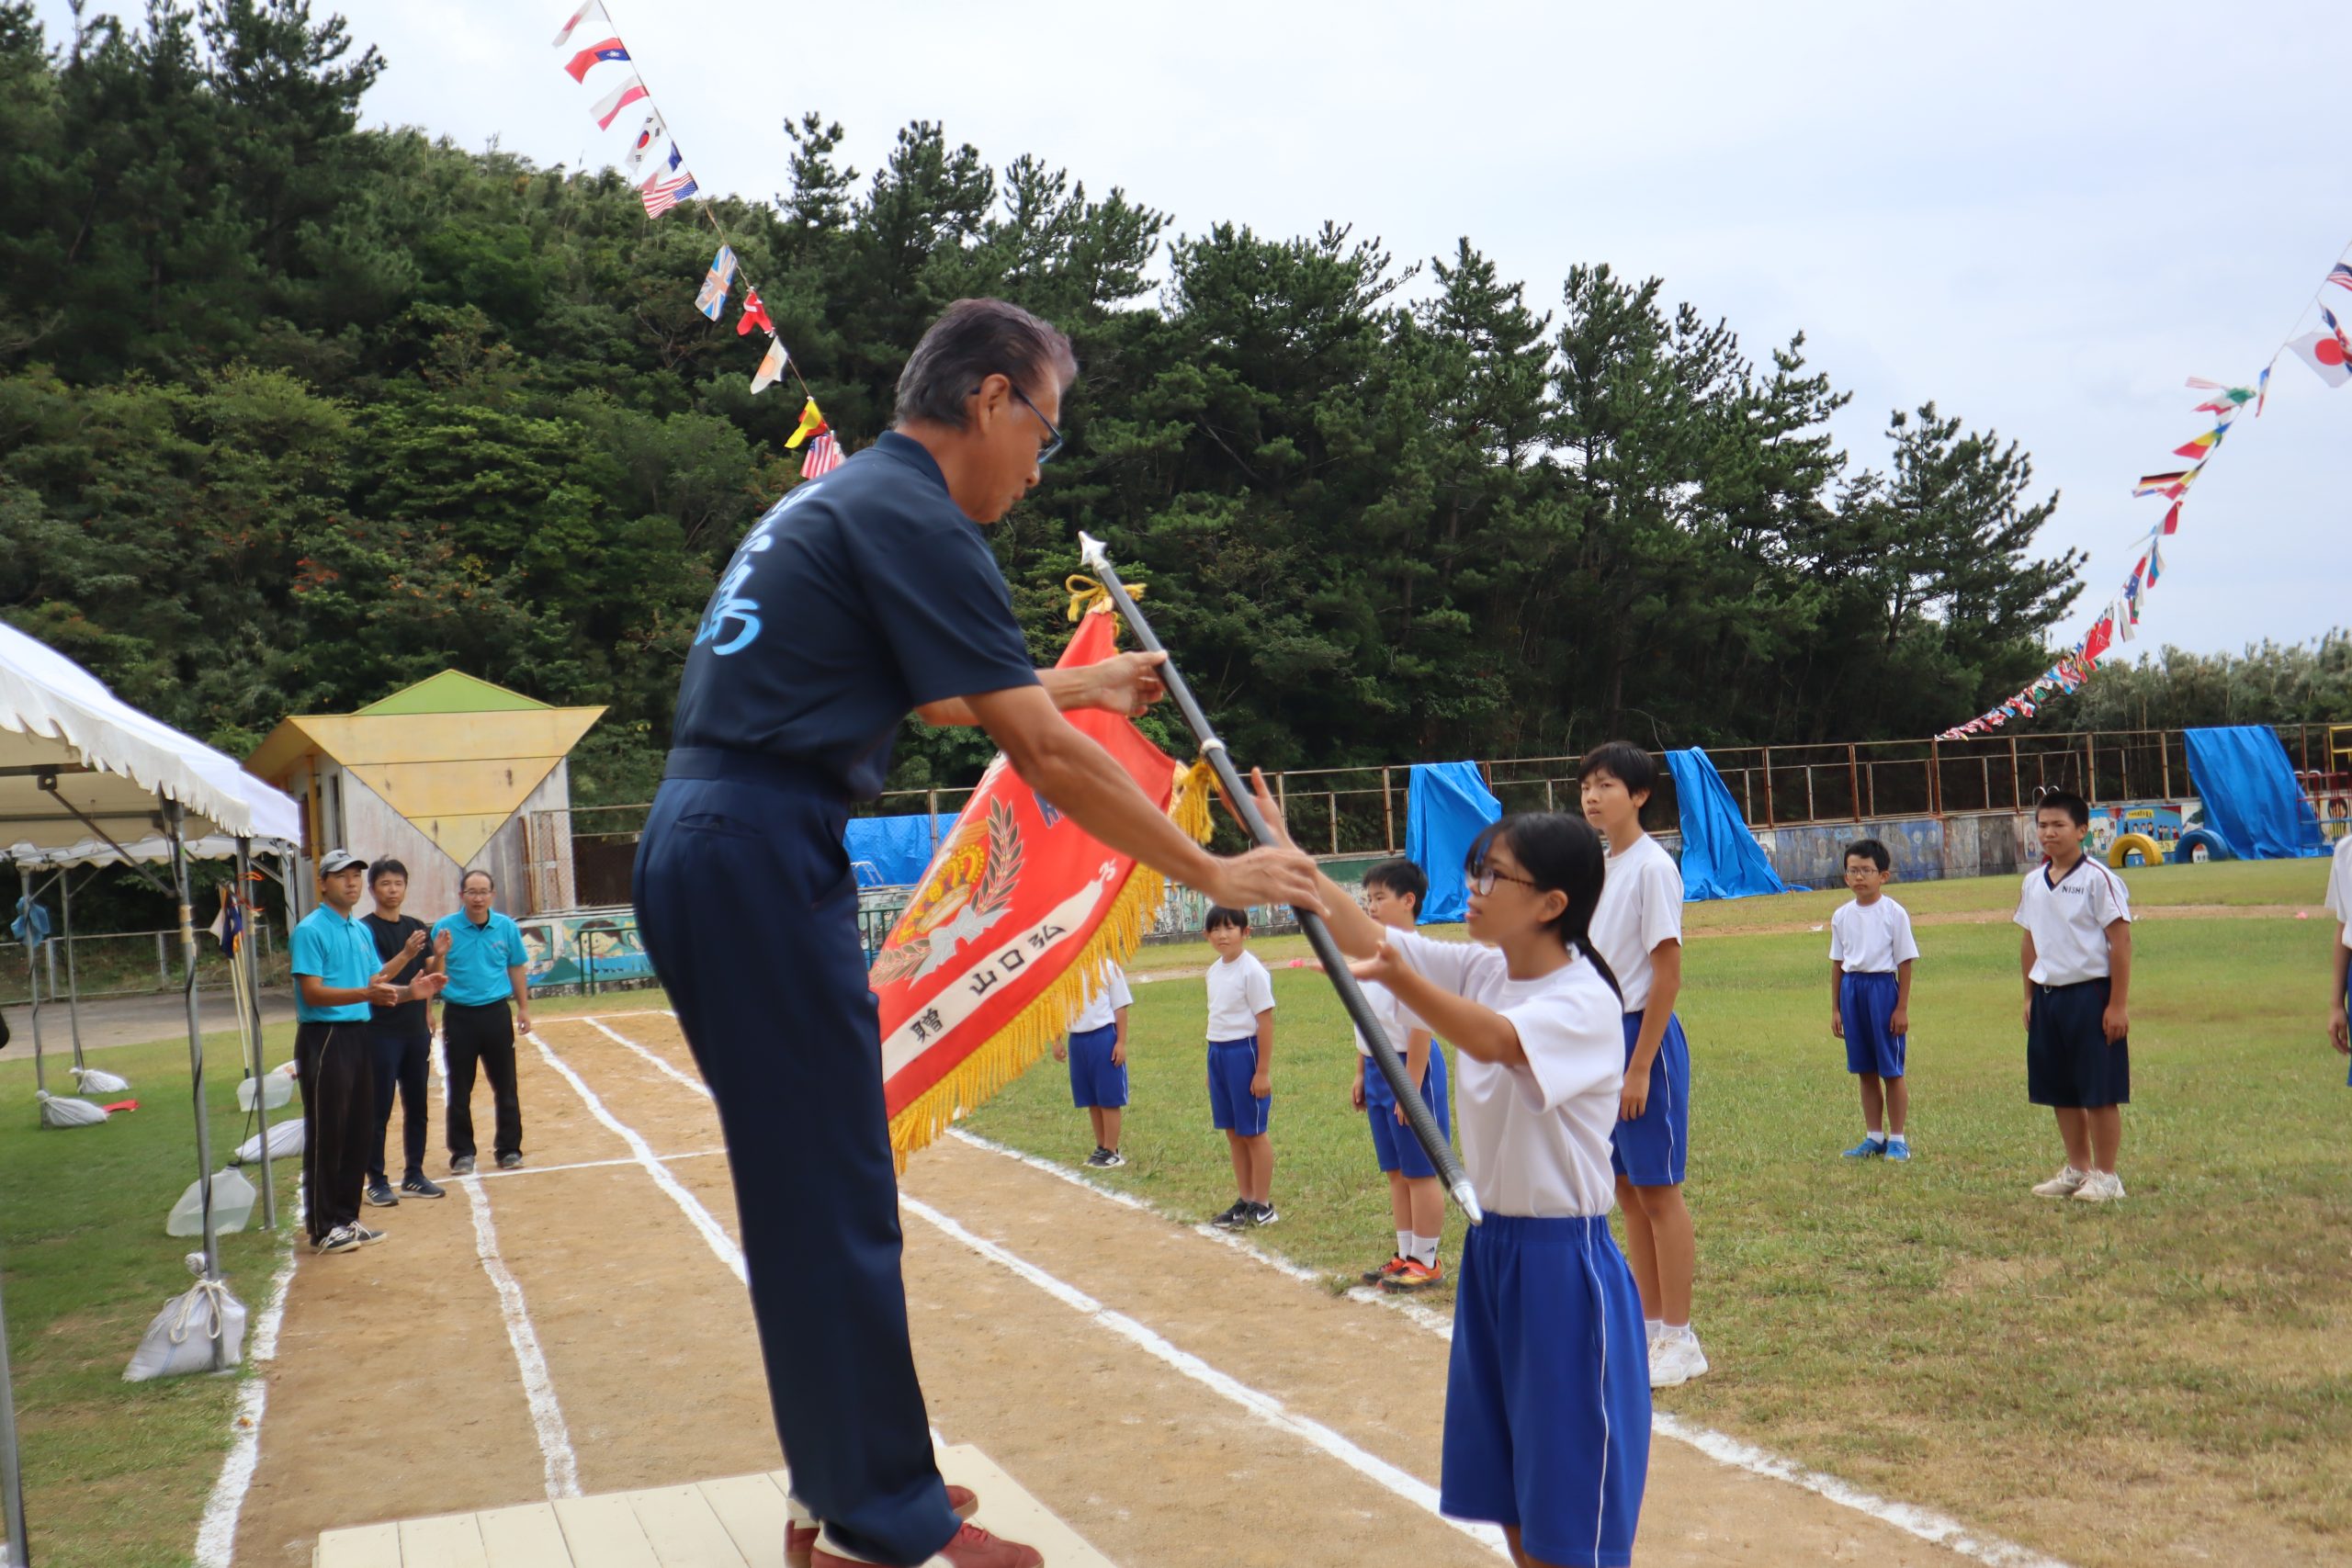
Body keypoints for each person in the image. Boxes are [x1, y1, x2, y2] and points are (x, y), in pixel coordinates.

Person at [632, 297, 1324, 1568]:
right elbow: (1042, 755)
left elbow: (947, 690)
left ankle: (839, 1489)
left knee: (812, 1184)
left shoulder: (840, 503)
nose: (1037, 465)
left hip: (712, 834)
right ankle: (874, 1519)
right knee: (832, 1187)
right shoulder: (917, 517)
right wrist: (1212, 862)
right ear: (993, 397)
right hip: (756, 844)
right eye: (1045, 434)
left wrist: (1084, 678)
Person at [1263, 780, 1648, 1568]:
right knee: (1508, 1484)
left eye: (1491, 877)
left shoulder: (1583, 1000)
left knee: (1569, 1505)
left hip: (1562, 1265)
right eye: (1475, 873)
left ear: (1550, 903)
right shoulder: (1486, 968)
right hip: (1495, 1254)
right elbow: (1368, 932)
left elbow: (1496, 1041)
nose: (1471, 890)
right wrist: (1292, 855)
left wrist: (1400, 984)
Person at [1580, 740, 1705, 1389]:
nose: (1594, 795)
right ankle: (1651, 1328)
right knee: (1626, 1190)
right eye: (1587, 785)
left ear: (1641, 795)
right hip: (1604, 1038)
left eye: (1607, 784)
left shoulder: (1652, 867)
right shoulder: (1603, 865)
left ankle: (1682, 1337)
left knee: (1658, 1189)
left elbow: (1667, 972)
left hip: (1640, 1039)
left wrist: (1639, 1066)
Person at [292, 850, 442, 1254]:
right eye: (342, 876)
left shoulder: (356, 931)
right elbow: (312, 992)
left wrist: (412, 990)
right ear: (323, 883)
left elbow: (376, 978)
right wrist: (367, 992)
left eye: (356, 875)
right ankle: (324, 1227)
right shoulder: (311, 929)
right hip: (326, 1037)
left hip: (360, 1034)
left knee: (358, 1129)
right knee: (329, 1132)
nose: (352, 882)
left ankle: (347, 1218)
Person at [2018, 790, 2134, 1202]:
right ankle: (2077, 1168)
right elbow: (2030, 939)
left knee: (2098, 1089)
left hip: (2090, 995)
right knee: (2060, 1089)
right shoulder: (2033, 882)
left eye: (2058, 825)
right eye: (2042, 825)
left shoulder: (2098, 880)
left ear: (2082, 831)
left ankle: (2106, 1176)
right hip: (2049, 999)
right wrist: (2030, 996)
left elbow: (2120, 943)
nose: (2048, 833)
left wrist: (2117, 1004)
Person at [1351, 858, 1451, 1292]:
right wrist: (1360, 1071)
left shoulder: (1416, 955)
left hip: (1412, 1068)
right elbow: (1365, 1019)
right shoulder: (1373, 953)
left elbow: (1420, 1028)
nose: (1370, 906)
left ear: (1408, 901)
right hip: (1377, 1067)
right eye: (1367, 898)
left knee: (1420, 1170)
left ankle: (1426, 1261)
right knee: (1396, 1171)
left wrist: (1409, 1085)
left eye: (1379, 898)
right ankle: (1405, 1253)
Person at [428, 870, 533, 1174]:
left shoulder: (506, 927)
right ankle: (462, 1153)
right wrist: (439, 956)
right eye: (471, 892)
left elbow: (516, 967)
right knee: (459, 1088)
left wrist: (523, 1008)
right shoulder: (445, 929)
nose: (478, 897)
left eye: (483, 891)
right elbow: (435, 971)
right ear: (461, 895)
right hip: (460, 1015)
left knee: (506, 1085)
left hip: (496, 1014)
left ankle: (509, 1149)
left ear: (492, 895)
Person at [362, 859, 450, 1205]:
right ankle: (376, 1181)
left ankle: (414, 1174)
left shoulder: (416, 927)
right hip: (380, 1031)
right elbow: (375, 978)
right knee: (379, 1108)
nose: (392, 890)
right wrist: (406, 953)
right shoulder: (364, 930)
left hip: (414, 1030)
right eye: (385, 883)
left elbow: (431, 977)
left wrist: (439, 955)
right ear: (373, 890)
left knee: (417, 1105)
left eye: (398, 883)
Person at [1829, 839, 1919, 1162]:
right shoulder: (1841, 916)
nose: (1859, 877)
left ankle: (1898, 1139)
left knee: (1891, 1070)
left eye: (1867, 870)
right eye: (1853, 870)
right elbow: (1838, 963)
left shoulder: (1894, 913)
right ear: (1845, 876)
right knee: (1864, 1069)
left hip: (1883, 990)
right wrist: (1836, 1008)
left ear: (1883, 876)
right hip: (1852, 991)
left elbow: (1905, 961)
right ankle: (1874, 1136)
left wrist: (1902, 1007)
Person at [1204, 906, 1278, 1229]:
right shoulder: (1213, 971)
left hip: (1244, 1053)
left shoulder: (1252, 971)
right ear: (1206, 935)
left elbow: (1265, 1022)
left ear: (1246, 932)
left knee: (1254, 1132)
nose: (1223, 935)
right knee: (1234, 1133)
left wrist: (1261, 1070)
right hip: (1218, 1053)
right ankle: (1245, 1198)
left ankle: (1262, 1204)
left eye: (1230, 928)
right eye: (1216, 929)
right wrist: (1211, 1068)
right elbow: (1217, 1018)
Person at [1052, 962, 1133, 1168]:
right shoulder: (1064, 970)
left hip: (1103, 1037)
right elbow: (1057, 1007)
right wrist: (1057, 1040)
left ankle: (1112, 1149)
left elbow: (1120, 1008)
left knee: (1108, 1097)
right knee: (1091, 1098)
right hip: (1078, 1040)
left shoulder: (1108, 968)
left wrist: (1120, 1043)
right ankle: (1101, 1146)